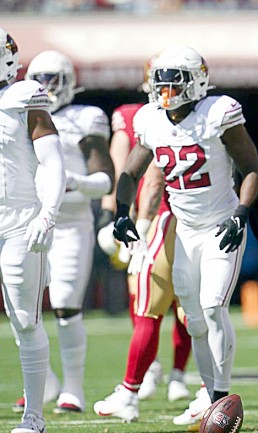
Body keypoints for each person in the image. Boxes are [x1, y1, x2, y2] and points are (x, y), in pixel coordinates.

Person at [99, 46, 258, 428]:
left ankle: (219, 395)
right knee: (193, 320)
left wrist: (241, 212)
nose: (167, 89)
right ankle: (210, 394)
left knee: (212, 307)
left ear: (198, 81)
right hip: (185, 231)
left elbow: (252, 166)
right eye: (161, 81)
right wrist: (122, 212)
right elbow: (131, 171)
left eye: (176, 80)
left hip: (220, 225)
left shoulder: (218, 112)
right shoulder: (151, 120)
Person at [93, 61, 199, 423]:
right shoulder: (206, 114)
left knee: (151, 307)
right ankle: (190, 384)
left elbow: (145, 178)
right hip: (195, 218)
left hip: (163, 219)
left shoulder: (154, 117)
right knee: (197, 309)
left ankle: (141, 387)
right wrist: (115, 216)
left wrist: (132, 221)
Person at [17, 50, 114, 415]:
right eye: (40, 79)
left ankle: (73, 389)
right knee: (22, 308)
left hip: (71, 223)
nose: (46, 87)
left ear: (70, 81)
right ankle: (47, 384)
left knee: (66, 306)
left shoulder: (85, 117)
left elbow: (105, 179)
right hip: (27, 221)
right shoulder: (18, 112)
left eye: (53, 79)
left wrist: (70, 182)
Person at [0, 28, 67, 433]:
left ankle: (34, 417)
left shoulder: (24, 96)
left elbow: (53, 161)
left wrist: (48, 214)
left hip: (19, 223)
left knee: (25, 319)